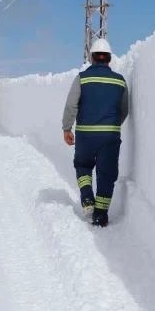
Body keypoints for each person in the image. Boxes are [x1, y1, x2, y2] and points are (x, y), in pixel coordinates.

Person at [62, 38, 129, 227]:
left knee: (83, 166)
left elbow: (71, 105)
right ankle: (100, 215)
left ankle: (87, 198)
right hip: (110, 137)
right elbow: (124, 109)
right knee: (106, 174)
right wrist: (112, 125)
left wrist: (67, 128)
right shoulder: (120, 81)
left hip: (85, 135)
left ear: (92, 58)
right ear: (109, 59)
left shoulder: (82, 78)